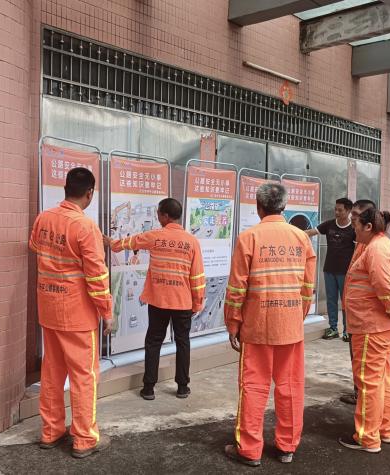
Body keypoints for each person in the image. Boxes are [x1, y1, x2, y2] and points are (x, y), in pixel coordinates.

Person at [224, 183, 317, 467]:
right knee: (290, 386)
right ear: (284, 207)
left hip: (256, 326)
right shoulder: (301, 238)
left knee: (253, 386)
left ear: (258, 207)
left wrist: (233, 323)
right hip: (290, 326)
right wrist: (297, 317)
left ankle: (250, 450)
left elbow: (237, 288)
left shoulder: (248, 238)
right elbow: (308, 288)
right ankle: (287, 446)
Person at [28, 167, 113, 459]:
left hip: (49, 309)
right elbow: (97, 276)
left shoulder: (44, 217)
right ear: (90, 193)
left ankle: (50, 431)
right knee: (83, 377)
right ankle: (85, 439)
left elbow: (34, 246)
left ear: (65, 189)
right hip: (78, 314)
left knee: (52, 373)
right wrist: (107, 311)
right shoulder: (85, 227)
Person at [106, 198, 205, 400]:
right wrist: (197, 303)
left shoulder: (155, 236)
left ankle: (149, 388)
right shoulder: (192, 242)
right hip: (182, 301)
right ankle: (182, 387)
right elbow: (197, 276)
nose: (157, 216)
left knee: (153, 341)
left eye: (159, 213)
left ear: (165, 216)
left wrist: (110, 242)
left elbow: (131, 242)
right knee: (183, 342)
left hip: (159, 300)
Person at [338, 207, 390, 453]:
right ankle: (384, 430)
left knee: (368, 381)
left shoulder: (377, 248)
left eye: (356, 225)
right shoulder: (375, 245)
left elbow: (385, 287)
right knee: (381, 377)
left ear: (368, 226)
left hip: (371, 325)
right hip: (374, 324)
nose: (354, 229)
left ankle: (367, 437)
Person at [338, 199, 376, 406]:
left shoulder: (374, 247)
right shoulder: (362, 242)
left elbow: (385, 287)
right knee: (358, 360)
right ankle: (359, 392)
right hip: (356, 313)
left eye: (356, 215)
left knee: (367, 366)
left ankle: (363, 399)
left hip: (367, 318)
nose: (352, 219)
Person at [306, 198, 355, 341]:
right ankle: (333, 328)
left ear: (348, 211)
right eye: (336, 209)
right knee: (331, 300)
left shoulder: (354, 229)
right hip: (329, 270)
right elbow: (310, 232)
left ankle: (347, 330)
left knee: (346, 302)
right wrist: (290, 232)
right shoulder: (329, 225)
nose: (337, 212)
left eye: (340, 210)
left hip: (346, 272)